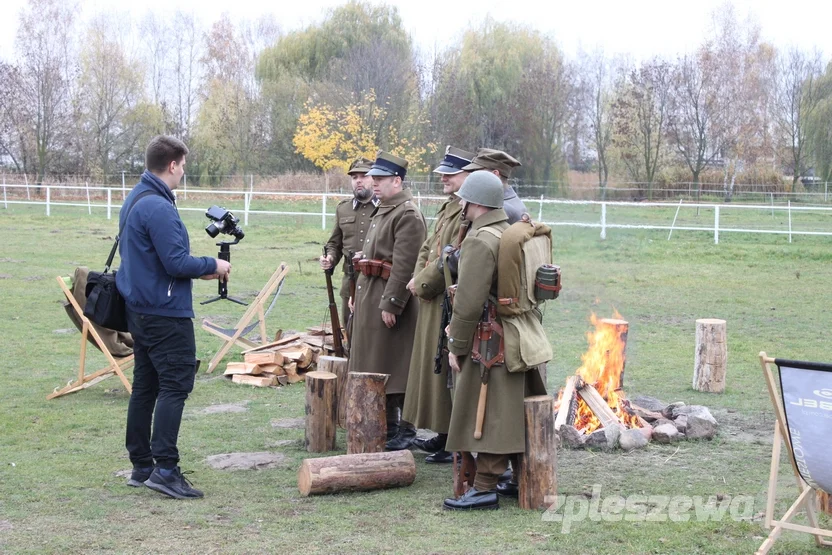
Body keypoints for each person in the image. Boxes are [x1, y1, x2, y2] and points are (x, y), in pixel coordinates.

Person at [117, 135, 231, 499]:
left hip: (140, 307)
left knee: (147, 385)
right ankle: (165, 468)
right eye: (183, 165)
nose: (184, 171)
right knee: (175, 385)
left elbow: (156, 258)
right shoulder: (159, 207)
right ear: (172, 165)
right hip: (164, 312)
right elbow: (175, 262)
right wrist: (213, 264)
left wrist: (200, 269)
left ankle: (141, 464)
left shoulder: (135, 197)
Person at [442, 171, 547, 510]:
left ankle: (485, 486)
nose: (461, 204)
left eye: (464, 199)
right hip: (516, 337)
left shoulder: (480, 240)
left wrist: (455, 346)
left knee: (490, 415)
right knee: (509, 410)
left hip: (489, 343)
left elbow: (469, 302)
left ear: (474, 203)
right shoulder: (508, 232)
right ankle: (515, 478)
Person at [391, 146, 475, 456]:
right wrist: (418, 277)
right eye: (443, 173)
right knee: (433, 370)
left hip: (444, 298)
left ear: (469, 175)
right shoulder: (450, 207)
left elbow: (452, 255)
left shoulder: (466, 211)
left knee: (445, 372)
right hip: (430, 297)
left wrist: (422, 282)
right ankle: (443, 432)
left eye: (451, 173)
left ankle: (452, 438)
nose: (443, 177)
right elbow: (428, 249)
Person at [348, 151, 426, 445]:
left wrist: (392, 303)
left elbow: (406, 264)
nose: (374, 183)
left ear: (397, 180)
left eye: (380, 179)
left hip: (389, 299)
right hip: (371, 293)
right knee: (376, 362)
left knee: (396, 366)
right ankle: (387, 424)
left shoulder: (406, 214)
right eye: (373, 178)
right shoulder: (386, 208)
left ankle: (405, 430)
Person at [320, 158, 378, 331]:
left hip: (376, 281)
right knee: (350, 329)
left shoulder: (385, 207)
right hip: (350, 281)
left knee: (373, 332)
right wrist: (330, 258)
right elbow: (335, 243)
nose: (358, 180)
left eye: (363, 176)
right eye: (354, 177)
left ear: (374, 178)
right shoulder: (343, 208)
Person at [461, 148, 528, 224]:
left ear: (495, 174)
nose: (471, 176)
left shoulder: (499, 208)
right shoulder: (507, 202)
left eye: (476, 172)